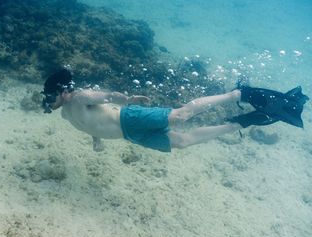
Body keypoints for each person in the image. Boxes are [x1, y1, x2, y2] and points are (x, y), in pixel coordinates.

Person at [41, 68, 309, 152]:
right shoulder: (66, 113)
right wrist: (96, 139)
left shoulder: (78, 97)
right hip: (129, 134)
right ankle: (245, 120)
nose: (47, 100)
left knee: (181, 115)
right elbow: (89, 122)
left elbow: (107, 96)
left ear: (64, 90)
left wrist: (128, 98)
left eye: (50, 94)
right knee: (182, 142)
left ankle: (239, 93)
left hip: (129, 117)